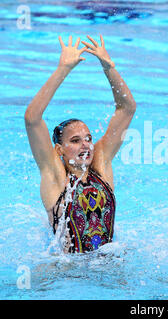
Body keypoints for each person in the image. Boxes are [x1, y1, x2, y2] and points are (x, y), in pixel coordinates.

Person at [24, 35, 136, 253]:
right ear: (59, 149)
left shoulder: (101, 166)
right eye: (75, 141)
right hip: (67, 273)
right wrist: (63, 69)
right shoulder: (55, 176)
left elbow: (127, 109)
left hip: (107, 266)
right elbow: (32, 119)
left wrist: (108, 67)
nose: (86, 145)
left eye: (88, 138)